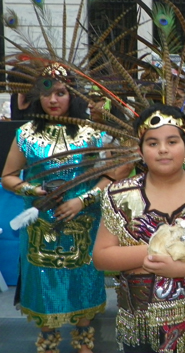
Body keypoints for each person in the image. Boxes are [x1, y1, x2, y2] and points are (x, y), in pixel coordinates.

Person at [92, 104, 185, 353]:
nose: (162, 150)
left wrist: (180, 267)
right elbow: (101, 256)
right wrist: (160, 252)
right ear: (140, 150)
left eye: (172, 141)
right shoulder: (120, 195)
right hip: (142, 322)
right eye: (152, 143)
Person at [1, 64, 112, 353]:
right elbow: (8, 177)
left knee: (84, 278)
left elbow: (113, 175)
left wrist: (82, 200)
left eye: (60, 93)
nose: (52, 100)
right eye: (47, 92)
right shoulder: (26, 133)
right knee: (43, 281)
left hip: (84, 219)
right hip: (40, 222)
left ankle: (84, 341)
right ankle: (48, 341)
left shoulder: (93, 133)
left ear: (72, 95)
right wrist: (34, 190)